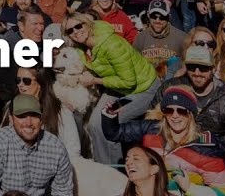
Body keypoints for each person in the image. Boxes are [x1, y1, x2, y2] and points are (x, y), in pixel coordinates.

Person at [63, 12, 160, 164]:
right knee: (94, 124)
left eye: (78, 26)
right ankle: (102, 168)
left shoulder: (112, 45)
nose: (75, 31)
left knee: (106, 123)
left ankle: (114, 170)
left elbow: (129, 82)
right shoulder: (81, 48)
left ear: (87, 24)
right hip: (117, 87)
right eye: (70, 30)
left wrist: (94, 80)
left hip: (143, 89)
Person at [0, 94, 74, 196]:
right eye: (21, 116)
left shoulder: (56, 148)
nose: (28, 123)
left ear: (41, 118)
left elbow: (63, 191)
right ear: (11, 118)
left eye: (34, 115)